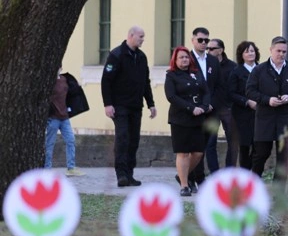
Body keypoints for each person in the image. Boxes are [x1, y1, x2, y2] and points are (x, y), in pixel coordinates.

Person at [101, 26, 157, 187]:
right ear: (131, 35)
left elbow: (145, 82)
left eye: (143, 36)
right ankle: (121, 174)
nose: (143, 39)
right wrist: (108, 104)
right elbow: (106, 81)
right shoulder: (117, 55)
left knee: (134, 141)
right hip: (120, 106)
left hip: (135, 106)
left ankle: (130, 174)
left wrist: (151, 104)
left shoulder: (141, 57)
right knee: (123, 138)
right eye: (141, 36)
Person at [247, 36, 288, 183]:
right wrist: (267, 100)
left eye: (284, 52)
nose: (281, 54)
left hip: (284, 118)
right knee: (261, 154)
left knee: (283, 156)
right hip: (265, 118)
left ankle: (278, 190)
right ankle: (254, 185)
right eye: (278, 51)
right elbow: (250, 91)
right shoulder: (259, 70)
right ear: (271, 50)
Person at [164, 46, 210, 197]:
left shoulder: (196, 73)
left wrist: (203, 106)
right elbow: (171, 96)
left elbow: (205, 91)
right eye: (181, 58)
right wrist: (191, 108)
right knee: (183, 152)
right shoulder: (171, 75)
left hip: (198, 118)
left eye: (186, 57)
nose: (184, 60)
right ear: (175, 60)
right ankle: (184, 185)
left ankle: (181, 174)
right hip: (180, 118)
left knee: (198, 152)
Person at [189, 27, 220, 187]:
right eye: (200, 40)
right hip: (194, 110)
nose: (203, 43)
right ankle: (198, 177)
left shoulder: (213, 61)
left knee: (206, 143)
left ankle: (188, 175)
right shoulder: (186, 59)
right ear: (193, 40)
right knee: (196, 145)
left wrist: (211, 104)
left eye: (206, 41)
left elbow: (218, 86)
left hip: (210, 109)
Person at [44, 70, 88, 175]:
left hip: (64, 117)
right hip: (53, 118)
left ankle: (71, 168)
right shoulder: (47, 80)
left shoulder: (64, 79)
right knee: (50, 143)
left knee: (71, 140)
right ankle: (47, 169)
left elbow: (71, 93)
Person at [229, 40, 260, 170]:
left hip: (260, 113)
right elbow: (231, 93)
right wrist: (247, 102)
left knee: (259, 146)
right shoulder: (236, 72)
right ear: (241, 55)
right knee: (245, 146)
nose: (250, 54)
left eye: (252, 51)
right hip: (242, 114)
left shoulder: (262, 69)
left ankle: (255, 172)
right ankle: (244, 172)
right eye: (246, 51)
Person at [206, 38, 237, 169]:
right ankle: (214, 173)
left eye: (212, 49)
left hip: (227, 108)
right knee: (210, 142)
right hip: (212, 109)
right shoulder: (205, 64)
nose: (208, 51)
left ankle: (229, 171)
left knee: (233, 141)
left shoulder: (232, 67)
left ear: (221, 50)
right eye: (207, 48)